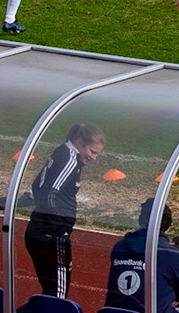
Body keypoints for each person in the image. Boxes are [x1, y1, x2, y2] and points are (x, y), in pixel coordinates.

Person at [25, 123, 107, 299]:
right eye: (92, 152)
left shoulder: (64, 153)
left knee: (50, 290)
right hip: (52, 236)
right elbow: (50, 193)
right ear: (79, 142)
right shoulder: (70, 159)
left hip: (39, 232)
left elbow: (37, 186)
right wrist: (58, 225)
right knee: (58, 294)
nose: (94, 158)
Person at [104, 200, 179, 313]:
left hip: (112, 310)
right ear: (167, 227)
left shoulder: (120, 247)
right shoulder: (171, 254)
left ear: (140, 220)